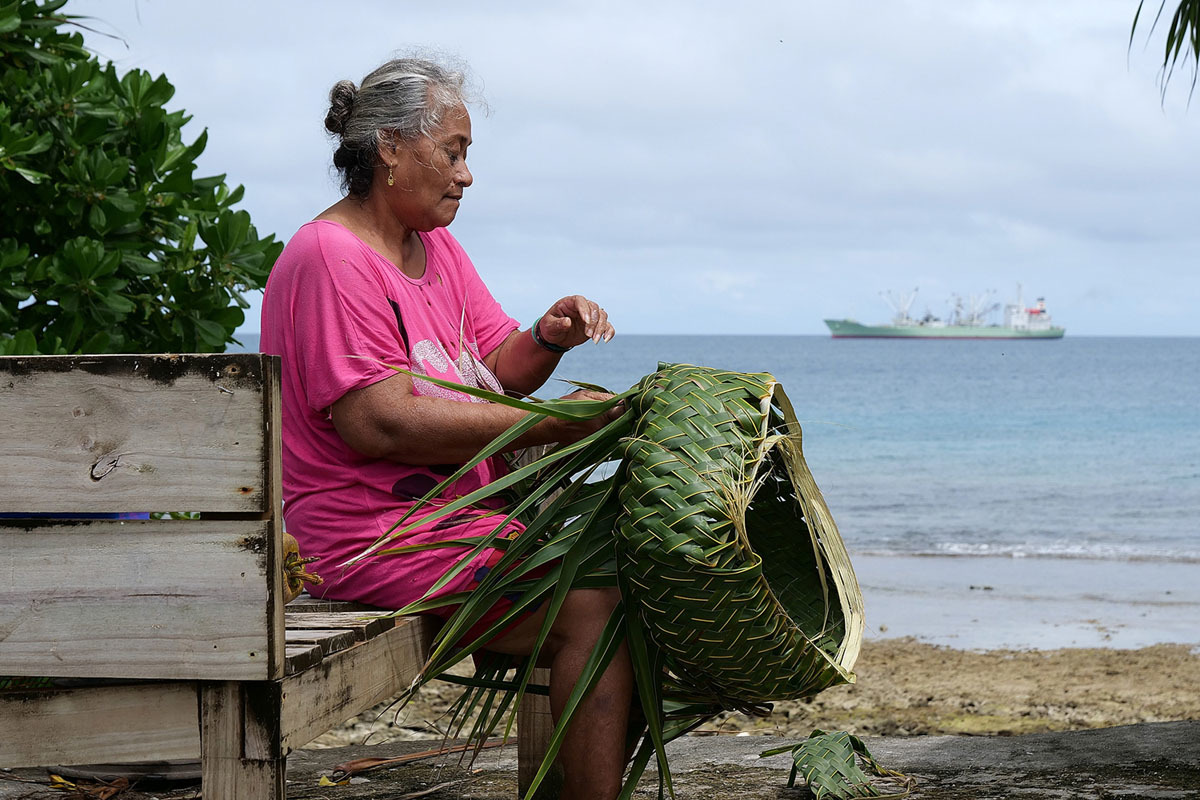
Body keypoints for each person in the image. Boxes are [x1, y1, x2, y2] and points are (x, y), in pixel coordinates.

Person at [260, 57, 631, 799]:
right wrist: (558, 427)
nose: (465, 176)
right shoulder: (332, 258)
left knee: (628, 568)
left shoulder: (435, 246)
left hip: (452, 524)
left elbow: (497, 364)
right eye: (453, 151)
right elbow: (377, 422)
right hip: (374, 535)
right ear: (390, 148)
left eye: (467, 155)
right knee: (597, 603)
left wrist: (549, 337)